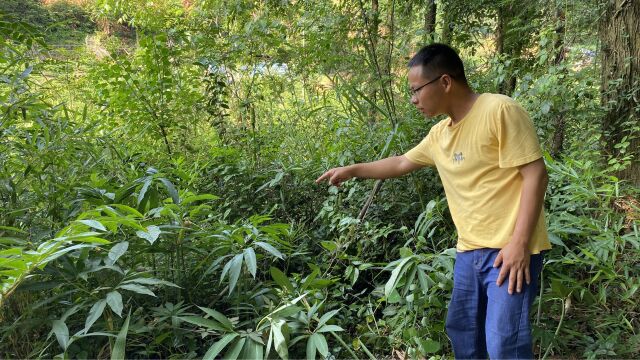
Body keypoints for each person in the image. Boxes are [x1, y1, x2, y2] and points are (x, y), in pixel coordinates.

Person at [315, 43, 551, 359]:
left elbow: (535, 174)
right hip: (470, 253)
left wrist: (520, 244)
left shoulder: (499, 110)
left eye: (416, 90)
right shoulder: (440, 134)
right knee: (465, 338)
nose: (413, 100)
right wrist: (352, 170)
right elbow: (400, 163)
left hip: (509, 251)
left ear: (444, 82)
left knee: (504, 344)